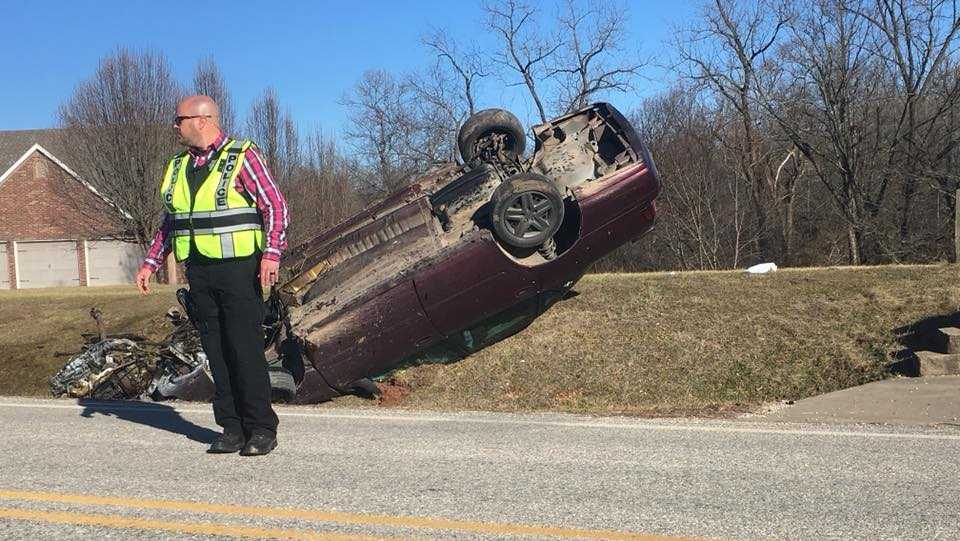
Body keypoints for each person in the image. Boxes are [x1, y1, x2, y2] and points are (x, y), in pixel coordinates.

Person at [135, 95, 289, 456]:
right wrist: (151, 262)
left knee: (244, 348)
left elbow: (275, 205)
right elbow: (170, 222)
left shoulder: (241, 156)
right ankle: (232, 428)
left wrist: (271, 254)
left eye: (179, 119)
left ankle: (261, 429)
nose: (175, 126)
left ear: (202, 120)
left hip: (238, 268)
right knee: (216, 352)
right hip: (199, 271)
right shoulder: (176, 166)